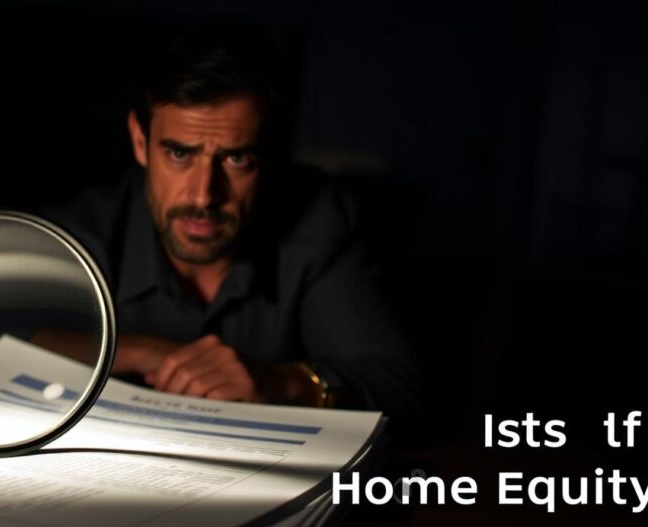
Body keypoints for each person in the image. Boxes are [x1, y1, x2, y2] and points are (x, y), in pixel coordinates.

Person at [48, 29, 422, 428]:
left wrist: (283, 382)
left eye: (236, 160)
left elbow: (398, 388)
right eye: (179, 154)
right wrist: (137, 350)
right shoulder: (89, 230)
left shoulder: (318, 222)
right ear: (140, 142)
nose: (204, 195)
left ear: (273, 157)